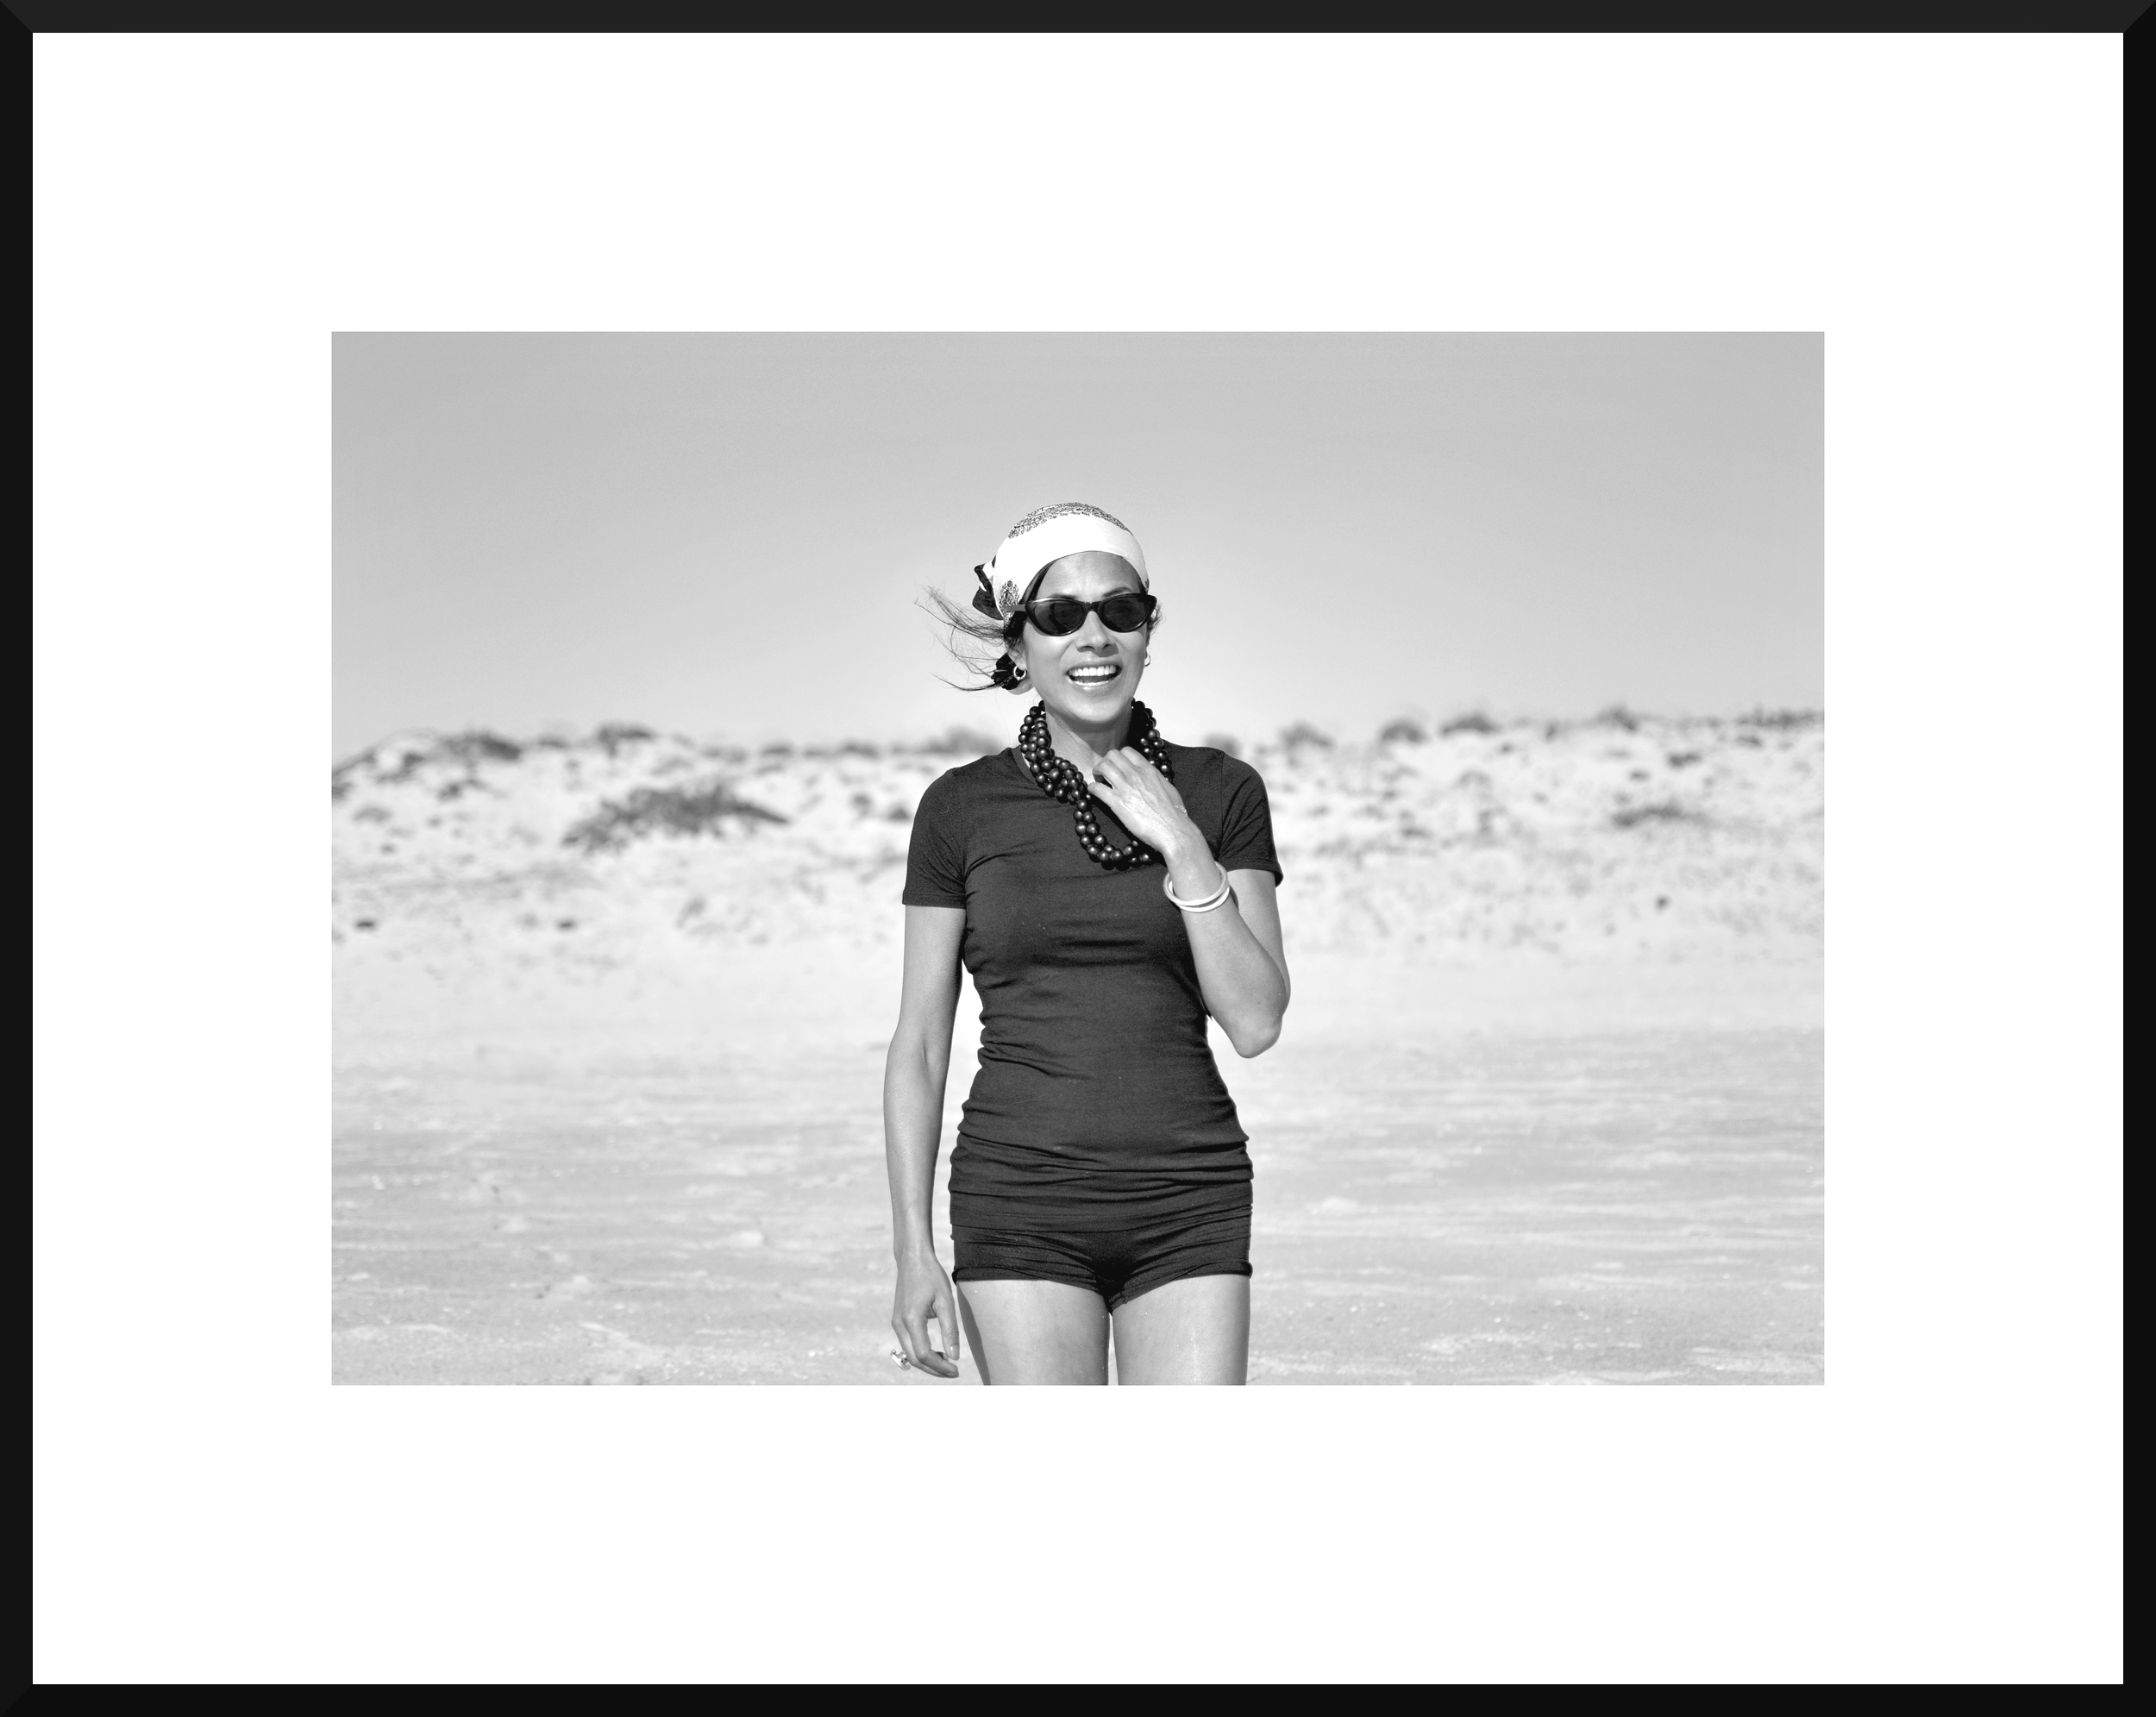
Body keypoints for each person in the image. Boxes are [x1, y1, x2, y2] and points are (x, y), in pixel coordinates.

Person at [884, 503, 1290, 1384]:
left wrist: (1181, 842)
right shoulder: (959, 809)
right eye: (1060, 615)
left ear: (1149, 628)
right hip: (1018, 1198)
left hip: (1190, 1194)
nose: (1094, 635)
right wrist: (912, 1247)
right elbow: (919, 1042)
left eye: (1122, 609)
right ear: (1019, 643)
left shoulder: (1221, 791)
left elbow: (1255, 1019)